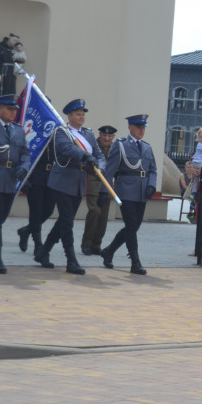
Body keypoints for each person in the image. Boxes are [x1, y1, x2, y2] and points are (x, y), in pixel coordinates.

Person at [35, 99, 103, 275]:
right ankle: (71, 260)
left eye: (83, 114)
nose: (81, 117)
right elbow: (67, 149)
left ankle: (43, 252)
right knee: (67, 222)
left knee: (64, 221)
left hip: (79, 183)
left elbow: (99, 154)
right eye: (78, 114)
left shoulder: (88, 134)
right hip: (62, 181)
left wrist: (99, 166)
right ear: (69, 116)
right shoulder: (61, 132)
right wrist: (86, 156)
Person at [99, 115, 157, 275]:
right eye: (139, 127)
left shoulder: (147, 147)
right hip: (125, 191)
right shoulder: (121, 145)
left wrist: (152, 184)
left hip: (142, 192)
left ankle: (108, 251)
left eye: (143, 127)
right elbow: (109, 170)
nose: (142, 130)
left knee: (133, 227)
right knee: (131, 227)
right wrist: (104, 191)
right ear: (130, 127)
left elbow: (153, 169)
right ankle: (135, 262)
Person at [0, 94, 29, 273]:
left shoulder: (18, 130)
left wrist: (25, 167)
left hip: (10, 180)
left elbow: (26, 152)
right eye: (10, 109)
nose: (13, 112)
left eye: (15, 110)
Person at [16, 129, 56, 258]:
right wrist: (25, 179)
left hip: (51, 177)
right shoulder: (34, 137)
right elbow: (24, 156)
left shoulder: (56, 137)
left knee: (49, 210)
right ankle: (38, 244)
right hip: (35, 176)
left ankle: (26, 230)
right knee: (36, 211)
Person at [81, 125, 116, 256]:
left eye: (109, 136)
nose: (106, 138)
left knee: (103, 216)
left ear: (113, 137)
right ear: (100, 135)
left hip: (107, 184)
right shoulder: (92, 146)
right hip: (93, 180)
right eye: (104, 135)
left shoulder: (115, 148)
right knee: (95, 211)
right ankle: (86, 243)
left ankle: (96, 245)